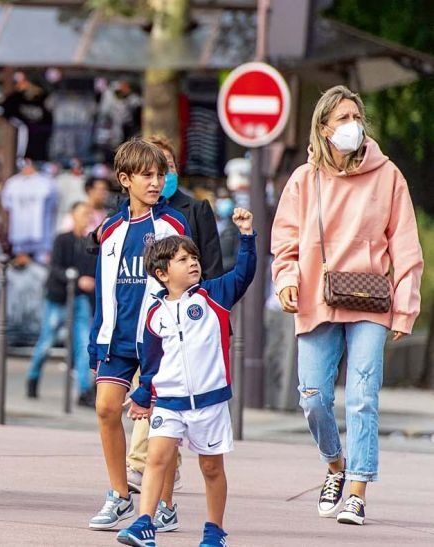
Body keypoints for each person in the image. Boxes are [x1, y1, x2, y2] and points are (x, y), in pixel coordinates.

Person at [270, 85, 423, 525]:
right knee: (312, 396)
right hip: (318, 296)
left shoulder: (388, 175)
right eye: (342, 118)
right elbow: (285, 242)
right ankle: (335, 464)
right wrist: (285, 281)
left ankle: (357, 488)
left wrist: (406, 307)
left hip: (372, 300)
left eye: (356, 117)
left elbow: (408, 249)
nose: (352, 125)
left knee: (362, 396)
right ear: (323, 127)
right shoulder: (304, 178)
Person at [116, 209, 256, 547]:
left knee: (211, 469)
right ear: (162, 273)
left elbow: (244, 274)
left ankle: (214, 530)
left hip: (210, 403)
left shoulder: (214, 296)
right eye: (182, 259)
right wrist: (143, 393)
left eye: (194, 257)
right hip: (169, 402)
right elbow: (151, 361)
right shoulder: (154, 313)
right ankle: (144, 523)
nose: (193, 263)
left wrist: (247, 237)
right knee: (156, 459)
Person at [87, 138, 189, 532]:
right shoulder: (110, 228)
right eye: (147, 175)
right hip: (115, 338)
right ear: (124, 179)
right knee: (106, 409)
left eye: (160, 175)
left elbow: (181, 284)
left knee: (161, 424)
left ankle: (165, 505)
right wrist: (97, 338)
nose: (156, 182)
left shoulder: (172, 226)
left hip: (159, 342)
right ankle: (119, 494)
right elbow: (103, 287)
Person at [124, 135, 225, 521]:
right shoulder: (127, 214)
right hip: (150, 321)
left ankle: (160, 496)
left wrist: (205, 309)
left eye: (162, 167)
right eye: (147, 170)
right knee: (152, 394)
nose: (156, 178)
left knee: (180, 417)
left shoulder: (191, 209)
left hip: (194, 324)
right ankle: (151, 499)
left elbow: (212, 264)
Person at [26, 201, 98, 406]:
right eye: (83, 213)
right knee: (47, 341)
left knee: (84, 344)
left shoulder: (89, 243)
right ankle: (33, 377)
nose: (86, 217)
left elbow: (92, 271)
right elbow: (55, 267)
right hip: (58, 297)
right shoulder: (62, 239)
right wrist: (74, 278)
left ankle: (84, 390)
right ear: (73, 215)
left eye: (89, 214)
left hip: (80, 298)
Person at [0, 158, 59, 262]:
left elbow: (54, 208)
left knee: (41, 272)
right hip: (19, 237)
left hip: (42, 238)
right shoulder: (12, 183)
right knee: (20, 273)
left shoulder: (48, 183)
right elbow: (7, 208)